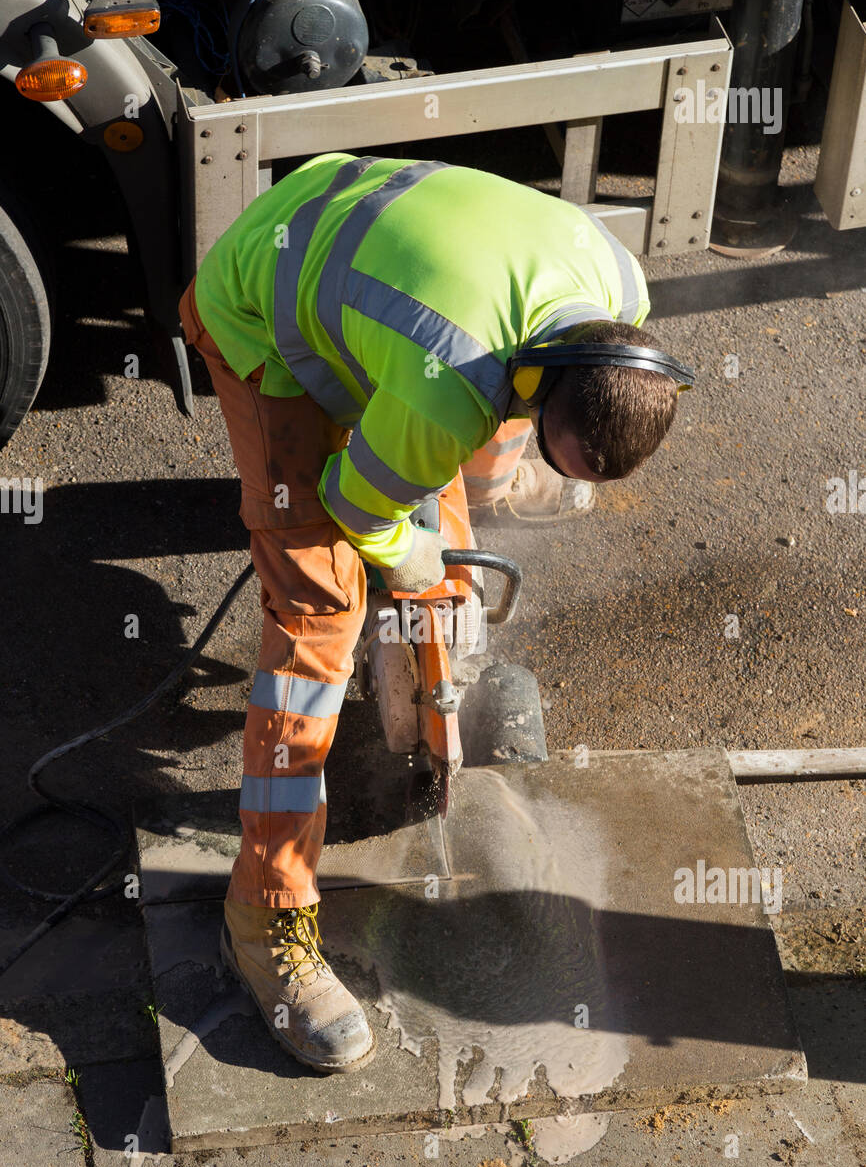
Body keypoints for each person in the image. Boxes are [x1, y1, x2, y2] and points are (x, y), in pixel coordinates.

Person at [178, 151, 682, 1074]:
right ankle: (265, 926)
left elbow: (481, 396)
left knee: (453, 470)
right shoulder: (453, 381)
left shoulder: (618, 290)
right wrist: (409, 560)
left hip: (386, 276)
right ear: (555, 375)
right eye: (561, 456)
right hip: (262, 306)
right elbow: (359, 504)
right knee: (319, 617)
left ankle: (494, 474)